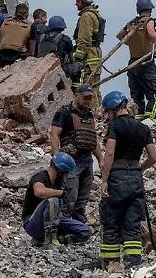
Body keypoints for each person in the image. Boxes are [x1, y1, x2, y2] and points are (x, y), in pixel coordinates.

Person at [99, 90, 156, 270]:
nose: (108, 116)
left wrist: (104, 180)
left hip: (117, 176)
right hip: (135, 177)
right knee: (132, 223)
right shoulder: (143, 128)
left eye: (108, 112)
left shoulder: (114, 127)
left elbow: (109, 153)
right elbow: (154, 157)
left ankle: (111, 263)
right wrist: (139, 169)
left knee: (111, 220)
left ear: (113, 109)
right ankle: (133, 263)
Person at [50, 85, 103, 223]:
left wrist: (100, 159)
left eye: (90, 98)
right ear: (76, 96)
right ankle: (63, 225)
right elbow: (54, 134)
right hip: (71, 160)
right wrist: (56, 157)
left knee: (83, 197)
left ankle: (78, 226)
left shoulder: (89, 114)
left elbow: (92, 138)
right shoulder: (64, 112)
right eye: (85, 98)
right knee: (69, 195)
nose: (87, 101)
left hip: (87, 160)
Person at [116, 0, 156, 120]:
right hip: (147, 61)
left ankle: (138, 117)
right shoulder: (149, 21)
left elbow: (120, 36)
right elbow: (151, 33)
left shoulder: (131, 24)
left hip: (133, 63)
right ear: (150, 10)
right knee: (155, 94)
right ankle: (150, 119)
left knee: (137, 93)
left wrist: (133, 43)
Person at [21, 152, 92, 246]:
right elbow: (39, 192)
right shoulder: (40, 177)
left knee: (85, 231)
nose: (67, 176)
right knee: (52, 200)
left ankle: (48, 240)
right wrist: (60, 193)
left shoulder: (60, 183)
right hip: (33, 224)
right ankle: (49, 238)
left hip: (55, 220)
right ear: (60, 171)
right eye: (66, 173)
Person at [72, 0, 105, 105]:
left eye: (78, 1)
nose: (76, 3)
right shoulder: (94, 14)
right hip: (94, 54)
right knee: (94, 87)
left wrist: (77, 58)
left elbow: (84, 40)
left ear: (83, 1)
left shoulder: (86, 16)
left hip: (88, 56)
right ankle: (97, 111)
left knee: (85, 87)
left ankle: (90, 111)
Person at [0, 3, 32, 67]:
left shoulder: (5, 22)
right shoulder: (29, 25)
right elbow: (31, 44)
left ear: (15, 13)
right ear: (27, 14)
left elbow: (1, 36)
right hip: (18, 55)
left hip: (2, 54)